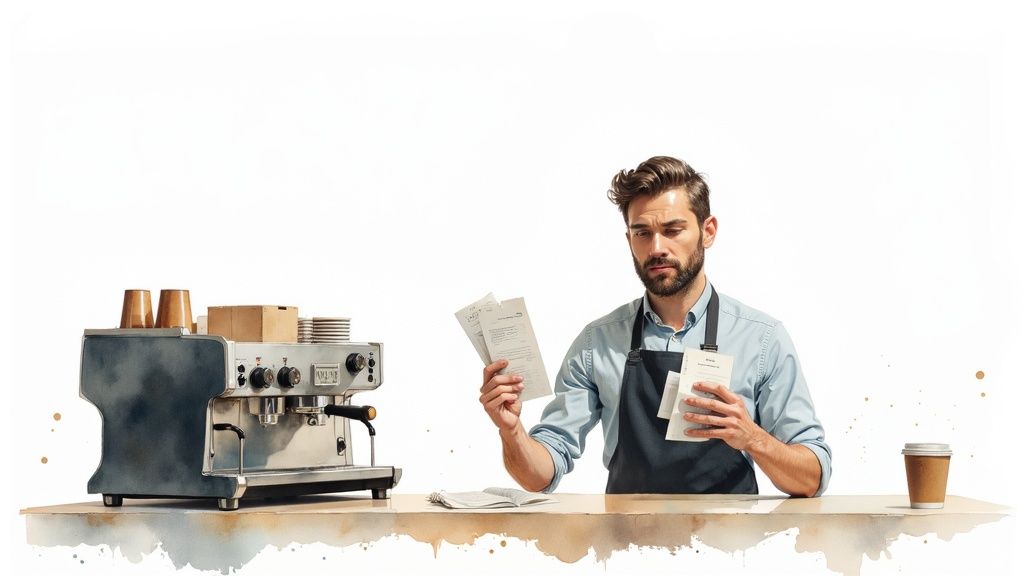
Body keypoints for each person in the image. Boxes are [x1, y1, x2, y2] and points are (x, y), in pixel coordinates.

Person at [478, 156, 831, 497]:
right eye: (642, 233)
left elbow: (812, 478)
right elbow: (540, 476)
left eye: (673, 230)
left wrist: (751, 437)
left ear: (708, 232)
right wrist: (512, 431)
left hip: (731, 549)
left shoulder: (761, 339)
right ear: (629, 240)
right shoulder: (596, 344)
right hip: (624, 550)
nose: (657, 247)